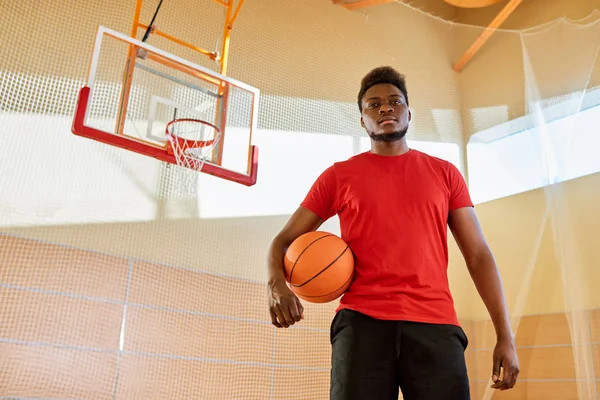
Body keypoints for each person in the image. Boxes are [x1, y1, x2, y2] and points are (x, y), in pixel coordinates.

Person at [266, 66, 520, 400]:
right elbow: (282, 241)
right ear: (362, 120)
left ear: (408, 113)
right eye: (373, 104)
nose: (385, 108)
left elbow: (478, 255)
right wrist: (277, 285)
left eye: (394, 101)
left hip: (435, 323)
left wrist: (505, 335)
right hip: (361, 323)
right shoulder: (338, 176)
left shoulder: (445, 174)